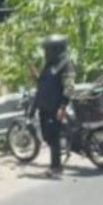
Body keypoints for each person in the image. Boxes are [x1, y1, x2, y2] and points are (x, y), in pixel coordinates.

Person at [30, 34, 75, 178]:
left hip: (55, 107)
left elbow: (69, 88)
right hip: (45, 107)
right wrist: (34, 75)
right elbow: (43, 82)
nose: (45, 53)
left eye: (47, 50)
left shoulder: (65, 65)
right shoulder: (49, 64)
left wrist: (62, 107)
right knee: (48, 136)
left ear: (56, 49)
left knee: (53, 137)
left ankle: (56, 167)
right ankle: (56, 164)